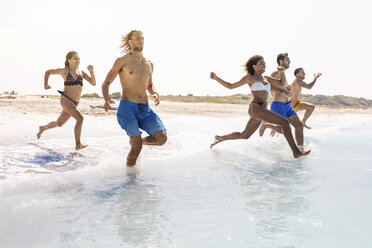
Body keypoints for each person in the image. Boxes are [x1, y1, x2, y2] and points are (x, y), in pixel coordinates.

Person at [209, 55, 310, 158]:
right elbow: (230, 86)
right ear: (254, 66)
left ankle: (220, 138)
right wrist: (216, 78)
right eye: (261, 63)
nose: (264, 65)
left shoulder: (265, 79)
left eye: (264, 63)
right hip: (256, 107)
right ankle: (296, 152)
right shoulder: (250, 77)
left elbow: (277, 87)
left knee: (245, 135)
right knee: (284, 123)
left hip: (261, 110)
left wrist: (285, 91)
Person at [102, 30, 167, 166]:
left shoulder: (149, 64)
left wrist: (155, 93)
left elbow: (150, 85)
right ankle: (130, 179)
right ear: (130, 41)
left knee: (162, 138)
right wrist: (107, 99)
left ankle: (139, 140)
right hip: (127, 108)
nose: (140, 40)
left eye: (142, 38)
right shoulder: (122, 61)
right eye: (137, 38)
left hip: (144, 109)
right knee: (137, 147)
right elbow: (106, 82)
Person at [37, 51, 96, 150]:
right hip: (66, 100)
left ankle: (43, 128)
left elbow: (93, 83)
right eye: (75, 58)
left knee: (59, 123)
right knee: (80, 118)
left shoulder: (81, 72)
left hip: (75, 103)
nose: (78, 61)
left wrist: (91, 72)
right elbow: (48, 72)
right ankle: (78, 145)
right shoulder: (64, 71)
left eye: (78, 59)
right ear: (69, 60)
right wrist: (45, 84)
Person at [258, 53, 306, 150]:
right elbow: (269, 86)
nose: (289, 61)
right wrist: (280, 92)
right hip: (278, 105)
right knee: (285, 129)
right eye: (287, 60)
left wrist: (286, 90)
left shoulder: (282, 74)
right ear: (281, 61)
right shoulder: (276, 73)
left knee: (299, 126)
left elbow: (279, 86)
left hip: (286, 105)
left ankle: (300, 149)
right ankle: (266, 125)